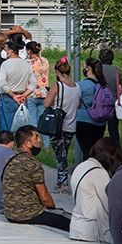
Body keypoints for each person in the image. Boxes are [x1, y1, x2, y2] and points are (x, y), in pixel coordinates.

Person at [2, 125, 71, 231]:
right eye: (37, 137)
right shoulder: (32, 163)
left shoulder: (10, 159)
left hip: (10, 214)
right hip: (29, 214)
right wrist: (53, 209)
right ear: (28, 143)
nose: (40, 141)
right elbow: (44, 198)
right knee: (67, 219)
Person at [69, 137, 121, 243]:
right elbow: (108, 204)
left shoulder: (81, 166)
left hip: (76, 228)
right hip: (91, 232)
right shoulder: (99, 173)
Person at [44, 57, 81, 193]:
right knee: (63, 153)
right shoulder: (77, 87)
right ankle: (61, 182)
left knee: (61, 156)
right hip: (72, 125)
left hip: (58, 126)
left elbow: (46, 103)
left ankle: (63, 183)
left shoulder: (57, 86)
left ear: (57, 71)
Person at [75, 59, 109, 158]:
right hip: (100, 122)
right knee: (95, 151)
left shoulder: (83, 85)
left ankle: (87, 170)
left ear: (89, 69)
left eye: (84, 67)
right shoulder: (103, 84)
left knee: (87, 152)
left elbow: (76, 102)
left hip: (84, 121)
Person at [0, 37, 32, 133]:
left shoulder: (5, 64)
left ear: (11, 51)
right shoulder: (26, 64)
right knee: (21, 128)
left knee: (6, 128)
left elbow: (3, 83)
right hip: (22, 97)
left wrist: (13, 95)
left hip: (7, 97)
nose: (6, 52)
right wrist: (24, 94)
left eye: (7, 50)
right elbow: (33, 84)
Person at [25, 41, 50, 128]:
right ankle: (46, 141)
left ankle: (34, 140)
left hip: (31, 94)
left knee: (33, 123)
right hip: (44, 93)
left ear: (29, 51)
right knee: (43, 123)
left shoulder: (27, 63)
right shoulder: (45, 61)